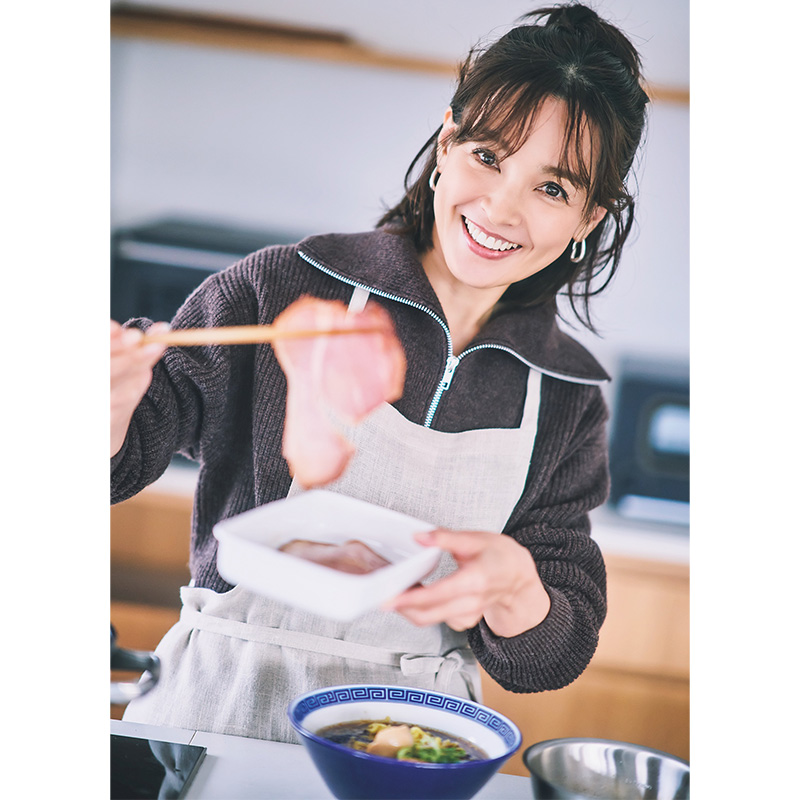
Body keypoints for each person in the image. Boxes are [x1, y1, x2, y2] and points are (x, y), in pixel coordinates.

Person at [111, 2, 649, 743]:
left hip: (402, 743)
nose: (501, 207)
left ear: (587, 220)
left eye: (552, 188)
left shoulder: (563, 399)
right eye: (488, 156)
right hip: (216, 711)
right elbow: (117, 456)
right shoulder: (283, 290)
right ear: (449, 141)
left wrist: (519, 592)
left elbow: (554, 652)